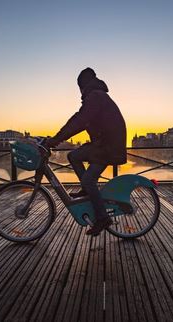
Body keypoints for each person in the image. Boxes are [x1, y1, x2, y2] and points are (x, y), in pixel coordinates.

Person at [45, 67, 127, 235]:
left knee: (89, 180)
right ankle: (87, 189)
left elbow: (79, 122)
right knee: (73, 155)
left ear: (83, 85)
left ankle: (103, 218)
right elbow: (79, 119)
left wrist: (55, 140)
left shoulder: (96, 97)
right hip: (103, 144)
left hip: (108, 147)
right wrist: (56, 138)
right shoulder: (97, 96)